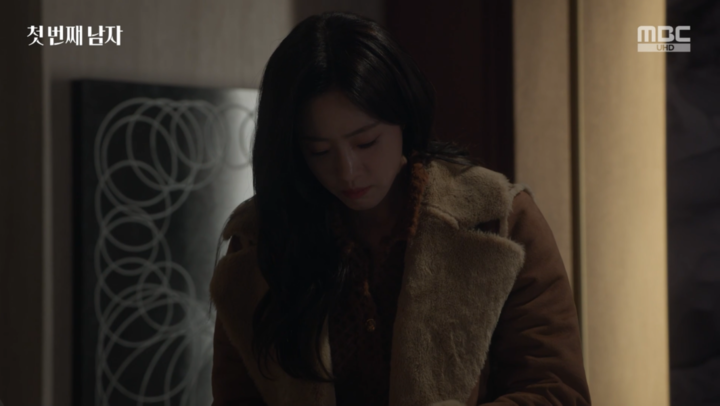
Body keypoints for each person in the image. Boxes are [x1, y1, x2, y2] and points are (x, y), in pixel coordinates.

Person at [209, 11, 591, 406]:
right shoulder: (261, 242)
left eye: (366, 143)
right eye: (319, 151)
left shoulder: (499, 220)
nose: (347, 171)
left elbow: (558, 393)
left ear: (403, 118)